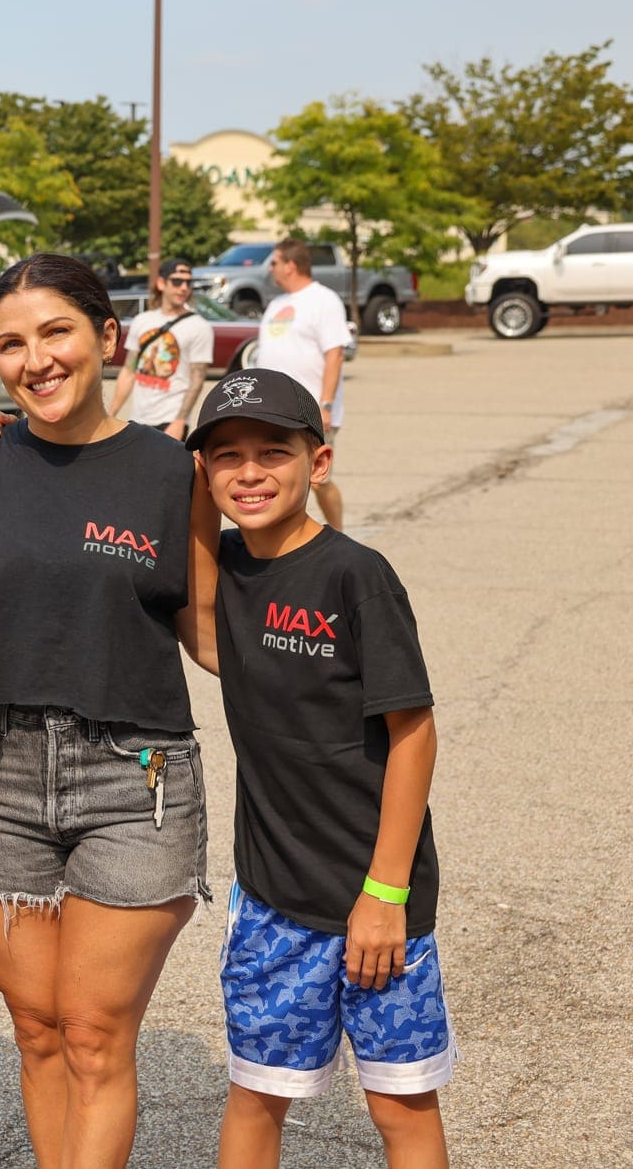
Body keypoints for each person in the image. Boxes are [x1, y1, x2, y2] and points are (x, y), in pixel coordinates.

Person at [0, 253, 216, 1167]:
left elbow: (209, 633)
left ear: (107, 337)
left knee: (95, 1033)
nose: (36, 360)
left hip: (135, 777)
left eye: (55, 332)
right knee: (37, 1030)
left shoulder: (174, 472)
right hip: (2, 775)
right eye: (11, 343)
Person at [185, 370, 450, 1168]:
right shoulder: (228, 569)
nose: (250, 472)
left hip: (378, 899)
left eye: (274, 452)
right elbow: (202, 629)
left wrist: (385, 894)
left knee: (401, 1106)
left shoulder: (355, 574)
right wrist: (187, 484)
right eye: (226, 457)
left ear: (318, 462)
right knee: (257, 1096)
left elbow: (414, 734)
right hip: (273, 901)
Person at [253, 239, 349, 529]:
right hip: (273, 409)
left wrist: (326, 404)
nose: (270, 269)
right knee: (278, 478)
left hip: (311, 409)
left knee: (318, 479)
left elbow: (335, 355)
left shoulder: (324, 300)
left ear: (290, 265)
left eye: (274, 263)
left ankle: (339, 536)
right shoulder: (276, 304)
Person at [111, 258, 213, 439]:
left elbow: (197, 380)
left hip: (170, 421)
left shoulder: (199, 327)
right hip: (138, 421)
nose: (184, 288)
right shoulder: (142, 321)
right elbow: (128, 371)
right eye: (177, 281)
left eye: (188, 282)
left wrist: (180, 421)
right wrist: (111, 414)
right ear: (161, 283)